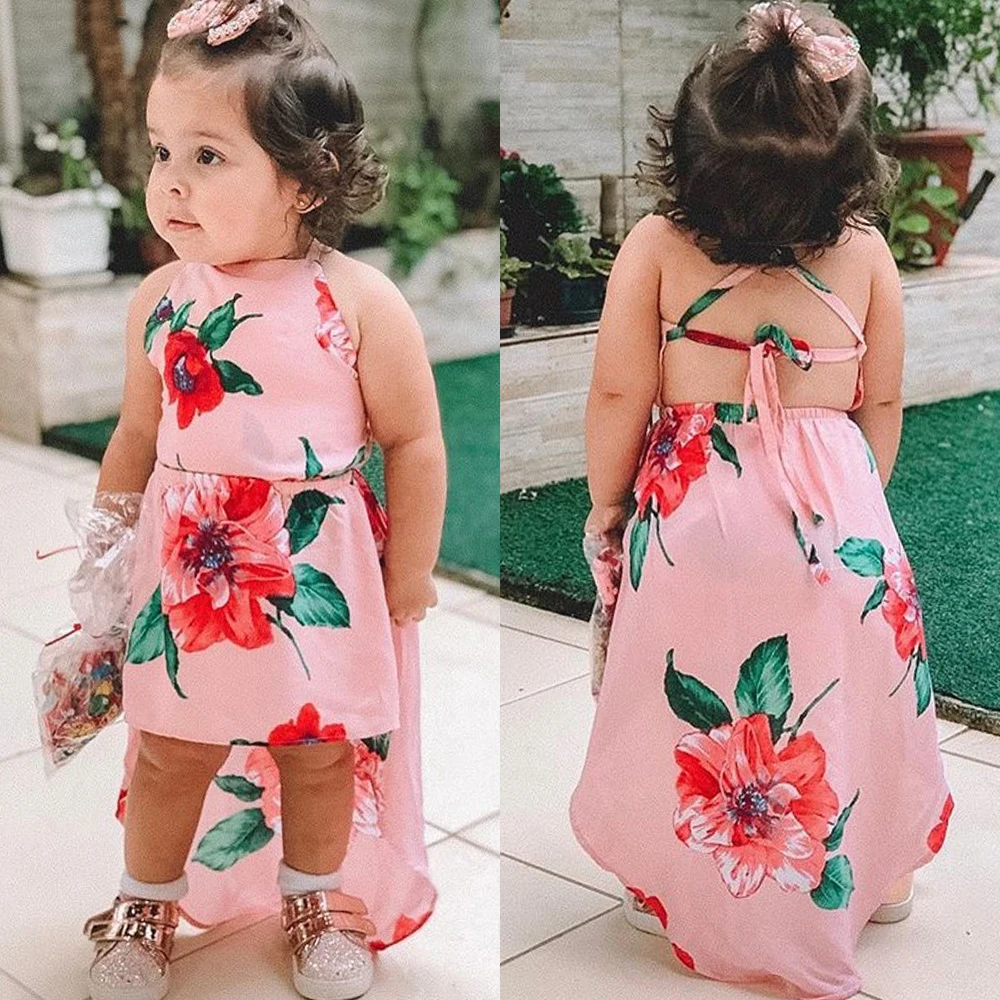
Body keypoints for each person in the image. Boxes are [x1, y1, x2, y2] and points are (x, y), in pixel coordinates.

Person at [569, 3, 954, 998]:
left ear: (690, 154)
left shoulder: (657, 244)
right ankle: (879, 876)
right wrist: (852, 507)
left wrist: (609, 505)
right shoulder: (866, 254)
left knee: (697, 702)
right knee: (843, 692)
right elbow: (881, 402)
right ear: (851, 164)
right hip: (835, 522)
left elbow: (617, 394)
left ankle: (684, 874)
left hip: (694, 517)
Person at [80, 2, 446, 998]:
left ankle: (314, 897)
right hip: (191, 573)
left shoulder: (357, 300)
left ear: (305, 178)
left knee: (319, 751)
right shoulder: (162, 300)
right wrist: (107, 543)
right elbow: (138, 435)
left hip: (316, 566)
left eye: (207, 155)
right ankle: (146, 900)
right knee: (172, 747)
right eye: (162, 150)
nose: (170, 181)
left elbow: (414, 440)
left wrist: (410, 569)